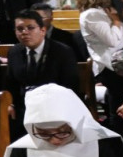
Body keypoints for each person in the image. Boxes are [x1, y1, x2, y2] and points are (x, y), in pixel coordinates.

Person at [5, 10, 80, 139]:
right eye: (20, 29)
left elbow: (70, 85)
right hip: (24, 109)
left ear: (43, 30)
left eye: (30, 28)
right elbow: (11, 83)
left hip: (55, 107)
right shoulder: (14, 52)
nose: (25, 32)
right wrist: (10, 104)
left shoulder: (62, 52)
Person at [78, 0, 123, 136]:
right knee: (119, 106)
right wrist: (116, 21)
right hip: (110, 66)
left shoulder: (100, 10)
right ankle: (121, 139)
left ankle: (121, 136)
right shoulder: (91, 14)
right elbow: (111, 40)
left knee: (117, 101)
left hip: (117, 64)